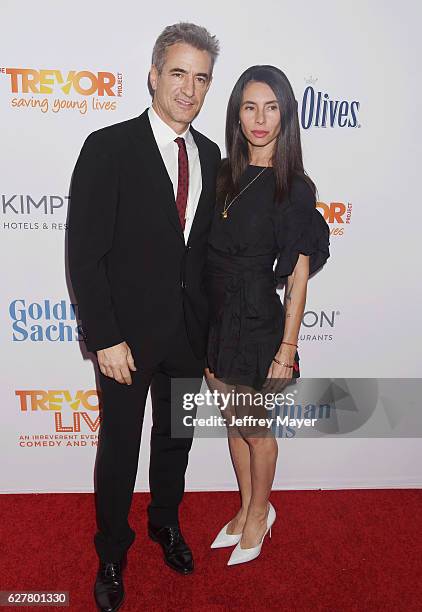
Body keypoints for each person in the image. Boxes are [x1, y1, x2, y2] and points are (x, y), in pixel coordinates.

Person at [67, 22, 220, 612]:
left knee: (175, 441)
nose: (189, 88)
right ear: (154, 75)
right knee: (120, 446)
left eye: (200, 77)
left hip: (188, 336)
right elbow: (85, 253)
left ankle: (165, 523)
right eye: (178, 73)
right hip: (125, 340)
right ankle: (111, 551)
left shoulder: (211, 156)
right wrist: (104, 337)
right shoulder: (108, 147)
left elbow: (206, 257)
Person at [204, 65, 330, 566]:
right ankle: (245, 507)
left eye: (271, 107)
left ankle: (261, 513)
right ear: (237, 112)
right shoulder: (222, 174)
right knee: (234, 424)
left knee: (257, 428)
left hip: (259, 323)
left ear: (286, 116)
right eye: (250, 106)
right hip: (216, 318)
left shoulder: (294, 188)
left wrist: (287, 349)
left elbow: (298, 277)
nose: (260, 118)